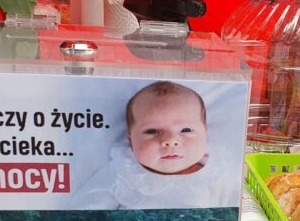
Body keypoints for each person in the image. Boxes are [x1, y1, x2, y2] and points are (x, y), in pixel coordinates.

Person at [71, 81, 236, 209]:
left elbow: (233, 209)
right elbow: (87, 205)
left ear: (205, 134)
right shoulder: (123, 170)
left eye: (185, 130)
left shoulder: (217, 171)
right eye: (152, 131)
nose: (170, 140)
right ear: (131, 140)